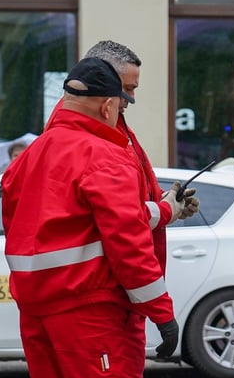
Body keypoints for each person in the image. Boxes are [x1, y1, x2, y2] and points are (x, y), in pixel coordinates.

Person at [1, 58, 196, 378]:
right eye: (124, 103)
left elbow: (61, 222)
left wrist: (161, 210)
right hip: (92, 312)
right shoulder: (104, 154)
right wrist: (161, 312)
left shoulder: (31, 155)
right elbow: (125, 241)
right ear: (108, 107)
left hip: (38, 310)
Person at [74, 41, 196, 274]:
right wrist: (167, 209)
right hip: (105, 287)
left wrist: (168, 199)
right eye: (127, 88)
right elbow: (121, 218)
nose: (132, 98)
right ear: (103, 79)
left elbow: (126, 200)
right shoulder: (94, 143)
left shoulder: (117, 131)